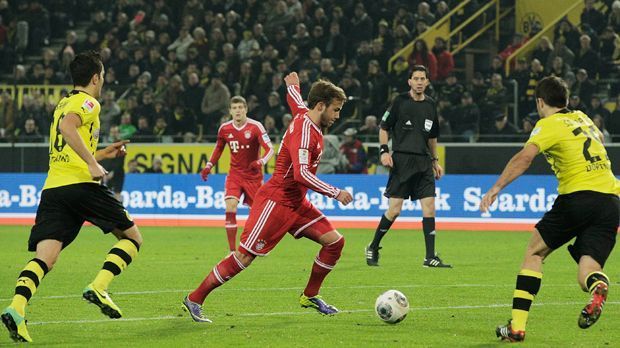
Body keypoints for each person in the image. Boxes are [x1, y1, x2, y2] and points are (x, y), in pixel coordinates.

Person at [183, 72, 353, 322]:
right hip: (276, 201)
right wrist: (335, 192)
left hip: (296, 203)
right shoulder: (305, 133)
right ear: (320, 106)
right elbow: (302, 175)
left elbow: (295, 100)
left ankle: (309, 295)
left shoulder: (305, 115)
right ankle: (194, 298)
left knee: (335, 243)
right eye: (335, 110)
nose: (337, 116)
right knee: (244, 256)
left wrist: (293, 85)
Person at [1, 51, 143, 343]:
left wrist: (102, 153)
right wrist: (93, 165)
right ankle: (99, 287)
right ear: (95, 78)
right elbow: (68, 128)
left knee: (46, 258)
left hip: (54, 188)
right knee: (132, 239)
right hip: (81, 186)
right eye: (102, 76)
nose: (103, 81)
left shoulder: (63, 103)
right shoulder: (89, 102)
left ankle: (16, 308)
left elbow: (67, 141)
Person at [480, 76, 619, 342]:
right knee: (586, 271)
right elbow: (599, 138)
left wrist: (496, 187)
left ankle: (517, 327)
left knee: (534, 252)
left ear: (540, 102)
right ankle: (598, 286)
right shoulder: (583, 117)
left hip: (578, 195)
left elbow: (524, 158)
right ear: (566, 100)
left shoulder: (547, 124)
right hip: (611, 200)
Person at [365, 65, 451, 268]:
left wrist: (435, 161)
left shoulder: (431, 105)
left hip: (423, 162)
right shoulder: (399, 101)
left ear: (428, 82)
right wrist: (384, 151)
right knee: (394, 210)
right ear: (409, 81)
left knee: (429, 208)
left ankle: (430, 257)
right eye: (416, 78)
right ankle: (373, 246)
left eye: (423, 78)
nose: (420, 82)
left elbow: (432, 137)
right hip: (402, 161)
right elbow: (383, 128)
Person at [199, 96, 274, 253]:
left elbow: (270, 149)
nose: (238, 111)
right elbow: (218, 148)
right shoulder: (225, 129)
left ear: (246, 109)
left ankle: (258, 244)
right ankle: (233, 251)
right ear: (230, 111)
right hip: (234, 175)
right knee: (230, 206)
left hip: (253, 177)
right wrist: (208, 165)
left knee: (258, 215)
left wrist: (261, 162)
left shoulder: (256, 127)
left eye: (241, 107)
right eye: (235, 108)